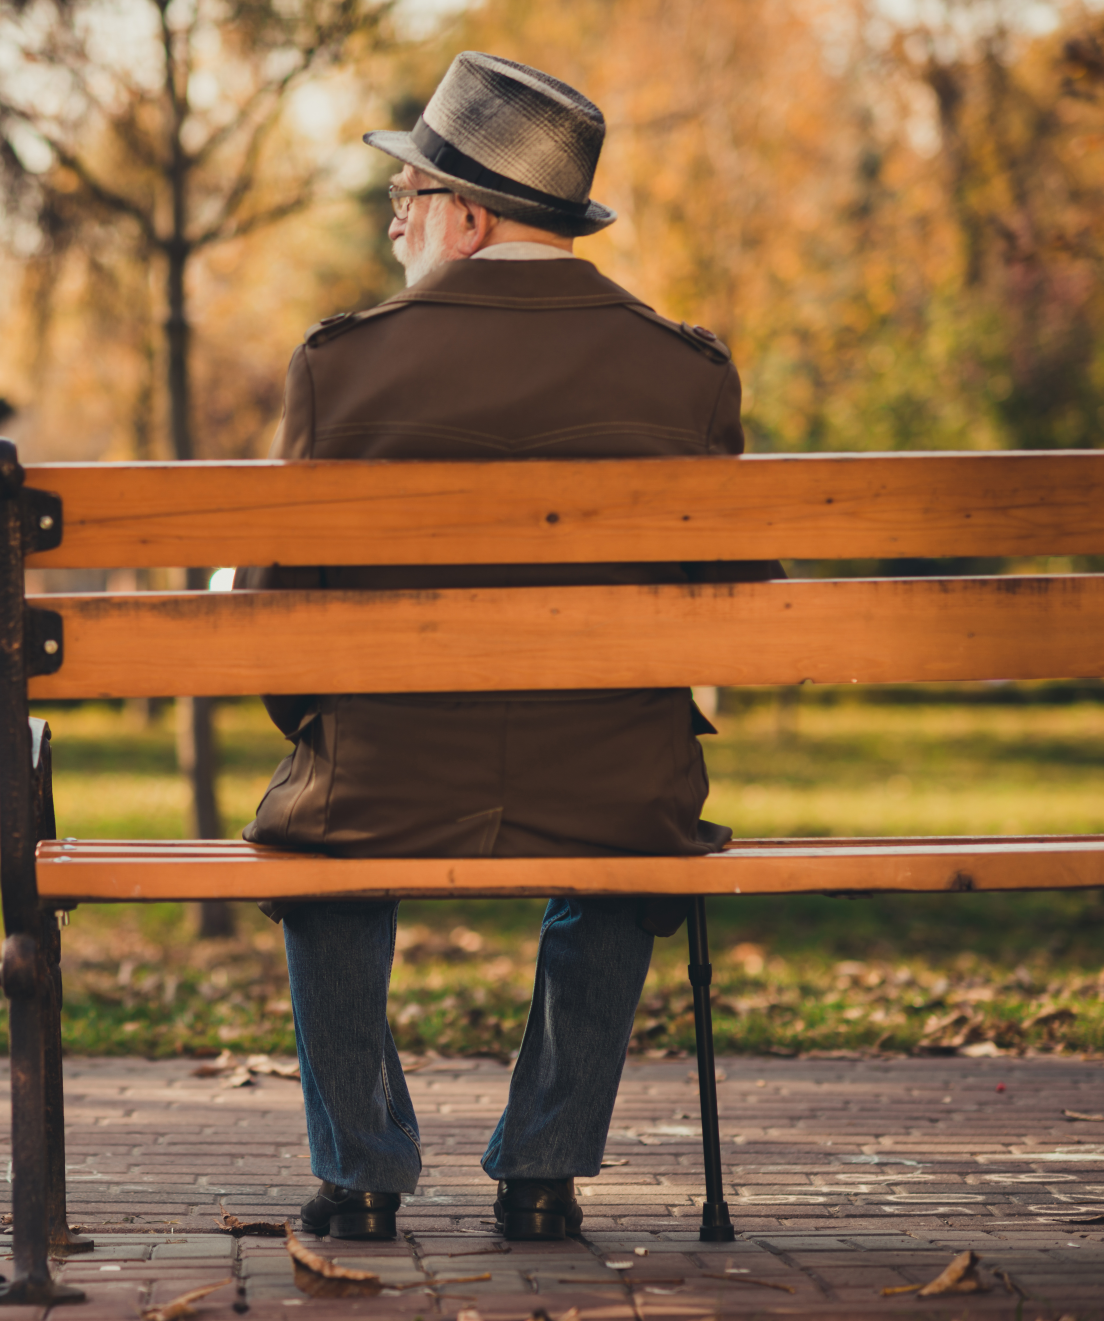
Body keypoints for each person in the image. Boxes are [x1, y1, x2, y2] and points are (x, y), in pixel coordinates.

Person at [237, 52, 781, 1243]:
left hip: (383, 777)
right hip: (614, 781)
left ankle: (363, 1171)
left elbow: (271, 626)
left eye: (408, 199)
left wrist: (319, 724)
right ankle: (543, 1168)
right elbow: (736, 608)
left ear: (469, 217)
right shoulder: (686, 374)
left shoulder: (342, 366)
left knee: (319, 870)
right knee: (621, 863)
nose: (395, 227)